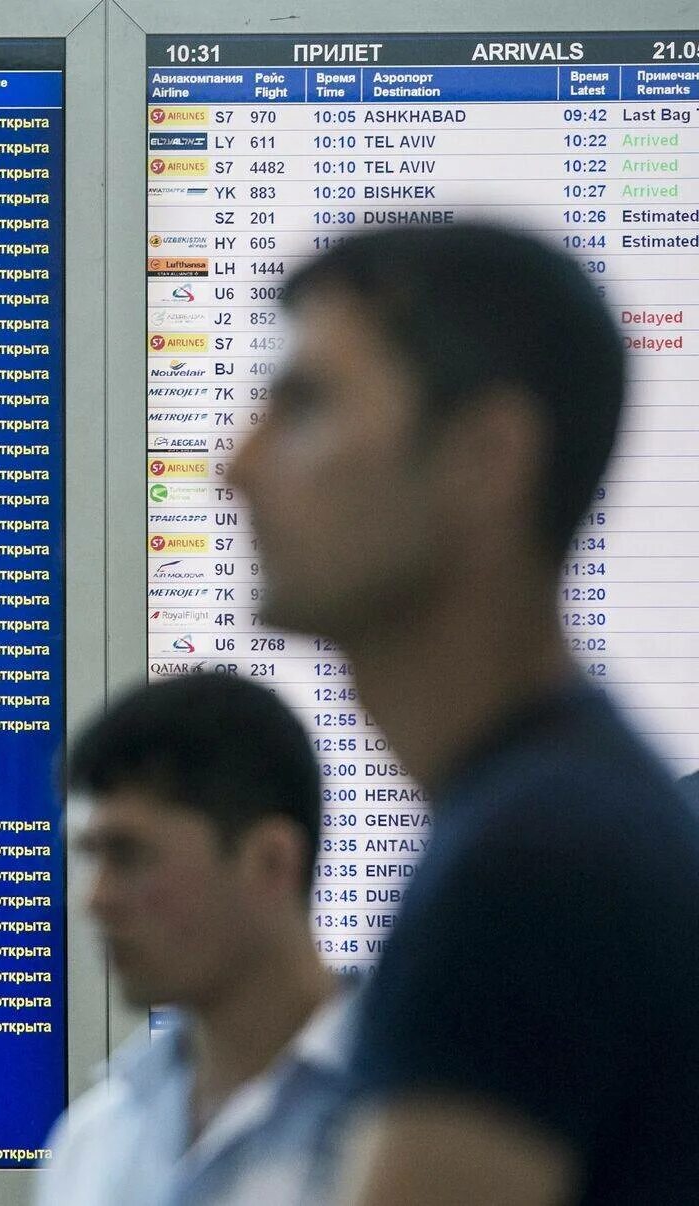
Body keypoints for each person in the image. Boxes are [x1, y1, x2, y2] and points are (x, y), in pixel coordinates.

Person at [232, 223, 699, 1205]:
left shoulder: (532, 875)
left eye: (306, 407)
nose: (235, 464)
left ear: (487, 459)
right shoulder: (566, 813)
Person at [38, 671, 349, 1206]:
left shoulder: (432, 1122)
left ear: (270, 862)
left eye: (128, 855)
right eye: (87, 857)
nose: (95, 899)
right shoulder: (95, 1144)